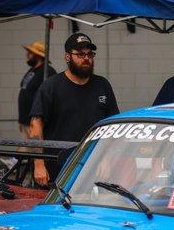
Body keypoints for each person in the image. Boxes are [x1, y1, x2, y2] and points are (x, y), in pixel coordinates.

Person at [30, 32, 119, 186]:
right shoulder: (51, 87)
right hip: (56, 170)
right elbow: (35, 125)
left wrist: (107, 159)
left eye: (90, 54)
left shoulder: (102, 85)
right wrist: (38, 165)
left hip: (94, 168)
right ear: (67, 57)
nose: (86, 58)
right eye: (80, 54)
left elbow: (112, 126)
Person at [18, 41, 56, 140]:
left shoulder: (47, 71)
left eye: (30, 53)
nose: (27, 55)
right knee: (25, 150)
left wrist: (38, 118)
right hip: (25, 119)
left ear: (38, 56)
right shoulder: (32, 70)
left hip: (36, 120)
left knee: (37, 151)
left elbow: (52, 95)